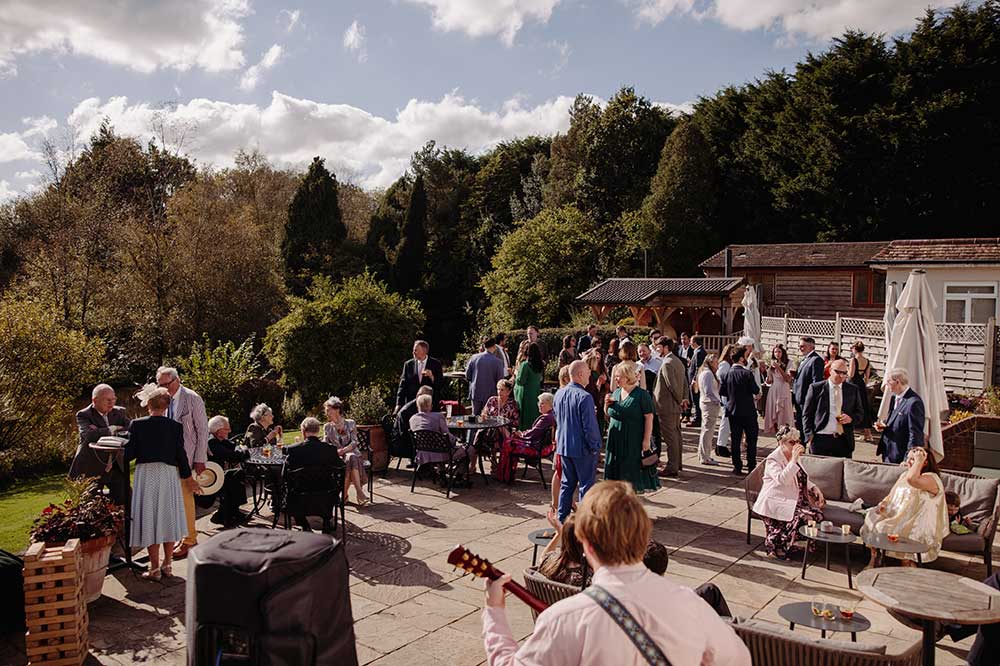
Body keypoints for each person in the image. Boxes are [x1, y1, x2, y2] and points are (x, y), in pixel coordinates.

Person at [482, 481, 751, 666]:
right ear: (644, 536)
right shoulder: (690, 604)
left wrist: (494, 610)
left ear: (585, 542)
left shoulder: (566, 619)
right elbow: (739, 660)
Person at [125, 387, 198, 580]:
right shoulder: (175, 427)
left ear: (148, 404)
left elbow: (129, 455)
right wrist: (188, 477)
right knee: (167, 518)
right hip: (168, 474)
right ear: (166, 406)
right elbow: (180, 455)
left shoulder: (137, 425)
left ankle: (155, 568)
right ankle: (168, 565)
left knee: (150, 518)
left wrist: (118, 447)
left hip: (147, 475)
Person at [861, 446, 948, 566]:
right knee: (873, 519)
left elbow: (912, 480)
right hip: (897, 515)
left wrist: (918, 460)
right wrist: (884, 503)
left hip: (917, 521)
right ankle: (874, 558)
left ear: (925, 462)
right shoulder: (905, 475)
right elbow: (891, 495)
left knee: (884, 527)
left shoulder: (931, 478)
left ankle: (907, 563)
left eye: (912, 459)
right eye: (908, 458)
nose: (908, 462)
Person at [156, 366, 208, 559]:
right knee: (173, 500)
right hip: (166, 457)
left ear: (177, 380)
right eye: (160, 385)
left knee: (185, 498)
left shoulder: (192, 398)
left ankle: (190, 540)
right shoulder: (161, 399)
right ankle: (181, 535)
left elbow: (202, 430)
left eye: (166, 384)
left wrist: (200, 459)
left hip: (187, 456)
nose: (163, 388)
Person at [752, 426, 826, 559]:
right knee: (802, 518)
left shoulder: (793, 457)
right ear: (781, 443)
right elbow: (782, 480)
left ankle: (799, 546)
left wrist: (814, 488)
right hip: (775, 500)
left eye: (797, 441)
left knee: (818, 515)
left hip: (794, 498)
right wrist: (793, 460)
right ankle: (785, 547)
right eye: (791, 442)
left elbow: (801, 477)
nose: (796, 445)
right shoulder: (773, 459)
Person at [553, 360, 603, 523]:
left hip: (564, 447)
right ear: (580, 374)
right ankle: (585, 523)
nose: (590, 373)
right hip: (582, 449)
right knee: (586, 486)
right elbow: (590, 427)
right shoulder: (585, 397)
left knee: (567, 485)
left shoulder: (559, 394)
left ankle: (561, 522)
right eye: (588, 371)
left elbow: (559, 420)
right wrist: (596, 446)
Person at [69, 384, 131, 505]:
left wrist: (98, 430)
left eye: (114, 399)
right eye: (107, 400)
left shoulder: (119, 412)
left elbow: (131, 428)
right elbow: (88, 435)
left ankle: (122, 522)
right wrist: (113, 428)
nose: (111, 403)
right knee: (87, 503)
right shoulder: (83, 415)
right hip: (91, 465)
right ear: (95, 400)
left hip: (114, 464)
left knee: (125, 496)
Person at [603, 361, 658, 494]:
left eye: (618, 376)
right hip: (615, 439)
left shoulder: (641, 395)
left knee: (630, 472)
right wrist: (606, 405)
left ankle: (629, 505)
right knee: (615, 473)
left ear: (627, 377)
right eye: (615, 376)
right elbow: (608, 415)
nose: (616, 379)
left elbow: (649, 418)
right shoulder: (615, 393)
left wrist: (646, 440)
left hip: (632, 438)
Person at [283, 417, 345, 533]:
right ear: (318, 431)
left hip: (300, 496)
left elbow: (286, 472)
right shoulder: (330, 449)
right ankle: (326, 521)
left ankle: (304, 524)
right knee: (329, 485)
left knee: (288, 488)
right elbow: (341, 467)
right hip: (327, 495)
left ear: (303, 431)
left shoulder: (293, 450)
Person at [802, 358, 865, 458]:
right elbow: (806, 413)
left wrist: (851, 418)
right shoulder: (816, 388)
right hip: (821, 438)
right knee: (819, 472)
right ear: (830, 370)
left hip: (843, 440)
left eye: (844, 373)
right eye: (837, 372)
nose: (841, 376)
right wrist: (809, 434)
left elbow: (860, 413)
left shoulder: (852, 390)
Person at [495, 393, 557, 483]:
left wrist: (521, 434)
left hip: (536, 447)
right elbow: (535, 432)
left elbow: (533, 434)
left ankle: (505, 475)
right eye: (539, 402)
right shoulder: (551, 415)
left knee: (508, 443)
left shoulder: (546, 418)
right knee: (510, 441)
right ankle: (507, 473)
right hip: (541, 445)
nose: (539, 405)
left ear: (550, 404)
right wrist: (521, 433)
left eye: (542, 403)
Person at [409, 394, 474, 478]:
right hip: (442, 453)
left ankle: (442, 473)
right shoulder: (438, 416)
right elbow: (447, 435)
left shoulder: (412, 419)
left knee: (439, 445)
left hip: (423, 453)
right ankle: (458, 475)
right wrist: (455, 440)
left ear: (418, 406)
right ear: (430, 405)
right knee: (469, 449)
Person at [719, 346, 760, 475]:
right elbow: (756, 390)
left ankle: (737, 466)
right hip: (748, 411)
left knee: (735, 440)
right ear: (742, 359)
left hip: (733, 411)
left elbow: (723, 392)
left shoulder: (727, 374)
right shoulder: (747, 374)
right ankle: (751, 465)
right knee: (751, 440)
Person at [874, 368, 927, 464]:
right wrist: (884, 425)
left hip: (900, 456)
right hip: (888, 452)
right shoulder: (894, 398)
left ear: (897, 382)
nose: (886, 384)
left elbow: (915, 434)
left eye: (888, 381)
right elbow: (894, 419)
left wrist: (908, 459)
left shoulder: (914, 403)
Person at [653, 337, 687, 479]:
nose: (656, 349)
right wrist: (684, 400)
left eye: (658, 347)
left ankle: (672, 467)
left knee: (670, 437)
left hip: (667, 406)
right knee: (676, 435)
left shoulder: (667, 363)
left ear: (666, 347)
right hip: (674, 406)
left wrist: (680, 401)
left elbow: (672, 385)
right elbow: (684, 383)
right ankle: (677, 463)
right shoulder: (678, 361)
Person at [206, 415, 250, 528]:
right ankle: (224, 514)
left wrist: (241, 449)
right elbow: (234, 456)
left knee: (236, 474)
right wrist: (243, 450)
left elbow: (235, 446)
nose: (230, 431)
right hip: (209, 481)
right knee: (234, 476)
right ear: (219, 431)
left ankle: (231, 511)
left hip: (218, 475)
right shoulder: (212, 443)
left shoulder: (220, 440)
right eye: (227, 429)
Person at [323, 396, 368, 506]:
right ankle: (358, 493)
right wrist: (334, 450)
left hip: (350, 453)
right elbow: (326, 443)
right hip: (336, 456)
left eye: (329, 410)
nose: (326, 413)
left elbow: (354, 442)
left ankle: (345, 495)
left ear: (337, 409)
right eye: (326, 410)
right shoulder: (327, 427)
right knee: (350, 459)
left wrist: (344, 450)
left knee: (350, 457)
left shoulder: (350, 423)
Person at [537, 511, 591, 587]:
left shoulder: (551, 564)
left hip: (549, 598)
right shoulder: (585, 577)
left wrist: (559, 533)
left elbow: (543, 557)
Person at [395, 340, 445, 412]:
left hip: (430, 405)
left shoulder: (435, 364)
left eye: (415, 350)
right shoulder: (408, 365)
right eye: (413, 350)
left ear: (424, 351)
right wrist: (398, 404)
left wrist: (432, 377)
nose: (413, 352)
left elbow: (440, 385)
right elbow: (402, 386)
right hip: (412, 405)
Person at [393, 385, 433, 468]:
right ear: (418, 395)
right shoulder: (407, 411)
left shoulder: (425, 407)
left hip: (416, 441)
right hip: (402, 444)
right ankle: (425, 468)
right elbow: (403, 434)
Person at [792, 336, 824, 435]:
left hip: (806, 398)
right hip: (798, 398)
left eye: (803, 346)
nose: (800, 348)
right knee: (800, 426)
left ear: (811, 346)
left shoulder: (816, 360)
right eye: (800, 346)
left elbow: (816, 382)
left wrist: (811, 399)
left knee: (805, 427)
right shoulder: (805, 359)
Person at [467, 336, 507, 414]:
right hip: (490, 394)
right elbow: (500, 382)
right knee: (489, 419)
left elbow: (468, 375)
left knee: (475, 417)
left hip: (476, 392)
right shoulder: (498, 362)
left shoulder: (473, 358)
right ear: (494, 346)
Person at [764, 344, 794, 434]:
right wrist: (767, 377)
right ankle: (775, 431)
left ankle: (784, 433)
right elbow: (770, 381)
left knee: (783, 414)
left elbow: (788, 379)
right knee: (773, 413)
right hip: (773, 390)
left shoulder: (789, 362)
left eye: (779, 351)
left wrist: (778, 367)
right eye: (775, 352)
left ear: (783, 352)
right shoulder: (772, 363)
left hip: (783, 389)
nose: (777, 354)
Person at [697, 354, 721, 466]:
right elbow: (708, 391)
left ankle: (704, 454)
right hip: (709, 404)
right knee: (708, 431)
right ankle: (705, 456)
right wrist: (717, 401)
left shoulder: (706, 372)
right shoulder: (707, 373)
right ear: (711, 362)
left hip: (708, 403)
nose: (717, 364)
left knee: (707, 430)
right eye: (716, 362)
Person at [515, 342, 545, 430]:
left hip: (525, 393)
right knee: (534, 413)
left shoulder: (525, 365)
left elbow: (520, 381)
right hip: (536, 391)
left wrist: (516, 373)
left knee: (525, 416)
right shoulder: (540, 364)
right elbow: (540, 378)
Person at [848, 341, 874, 442]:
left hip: (853, 384)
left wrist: (846, 370)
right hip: (862, 385)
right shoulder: (867, 360)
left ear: (855, 349)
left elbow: (851, 375)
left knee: (851, 407)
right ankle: (868, 433)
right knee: (864, 407)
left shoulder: (853, 360)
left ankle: (852, 430)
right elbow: (867, 377)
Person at [715, 344, 735, 458]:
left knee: (727, 422)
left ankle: (722, 444)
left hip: (728, 396)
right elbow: (721, 379)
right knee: (725, 421)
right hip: (725, 396)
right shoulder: (724, 364)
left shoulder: (728, 364)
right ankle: (720, 445)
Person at [687, 335, 707, 427]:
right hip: (694, 380)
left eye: (691, 341)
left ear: (695, 342)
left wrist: (694, 379)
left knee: (696, 399)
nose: (690, 343)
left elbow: (698, 368)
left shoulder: (699, 352)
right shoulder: (698, 351)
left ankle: (697, 418)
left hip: (696, 382)